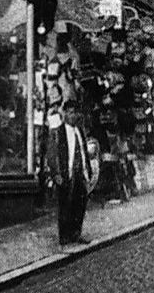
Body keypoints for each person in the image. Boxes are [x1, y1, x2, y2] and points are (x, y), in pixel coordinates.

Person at [49, 99, 94, 246]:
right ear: (65, 114)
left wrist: (87, 170)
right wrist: (56, 173)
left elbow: (83, 151)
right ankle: (64, 235)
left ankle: (76, 233)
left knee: (79, 203)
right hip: (66, 173)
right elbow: (53, 154)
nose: (73, 116)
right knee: (65, 204)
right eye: (70, 112)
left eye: (75, 113)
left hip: (79, 173)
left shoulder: (79, 131)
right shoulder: (58, 132)